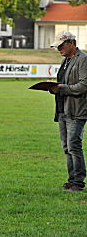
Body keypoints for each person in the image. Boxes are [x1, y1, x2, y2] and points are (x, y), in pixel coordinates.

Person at [49, 31, 87, 192]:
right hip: (63, 109)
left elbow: (84, 85)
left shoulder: (83, 59)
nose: (59, 49)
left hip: (76, 110)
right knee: (67, 147)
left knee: (74, 146)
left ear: (71, 43)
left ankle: (78, 182)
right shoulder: (66, 60)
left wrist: (62, 89)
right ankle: (72, 180)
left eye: (61, 45)